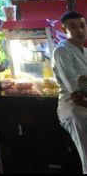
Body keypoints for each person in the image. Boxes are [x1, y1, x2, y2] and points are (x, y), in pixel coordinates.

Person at [52, 11, 87, 173]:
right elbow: (75, 86)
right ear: (64, 29)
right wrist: (81, 82)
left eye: (82, 25)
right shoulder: (62, 51)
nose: (79, 30)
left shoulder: (84, 51)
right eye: (73, 26)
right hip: (75, 109)